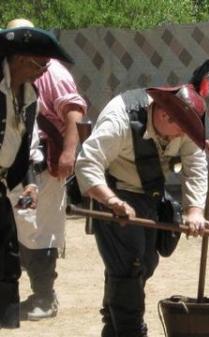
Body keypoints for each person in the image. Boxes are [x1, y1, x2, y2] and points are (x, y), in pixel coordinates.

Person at [75, 74, 209, 336]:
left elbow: (195, 165)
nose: (184, 135)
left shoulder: (182, 127)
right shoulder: (120, 118)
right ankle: (131, 330)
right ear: (165, 116)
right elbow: (88, 162)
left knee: (145, 263)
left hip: (150, 195)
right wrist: (112, 201)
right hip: (112, 192)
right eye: (181, 129)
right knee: (129, 267)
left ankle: (113, 329)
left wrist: (194, 210)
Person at [6, 18, 87, 321]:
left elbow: (74, 111)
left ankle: (44, 296)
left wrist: (68, 152)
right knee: (14, 229)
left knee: (38, 230)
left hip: (42, 169)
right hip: (13, 167)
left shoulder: (53, 71)